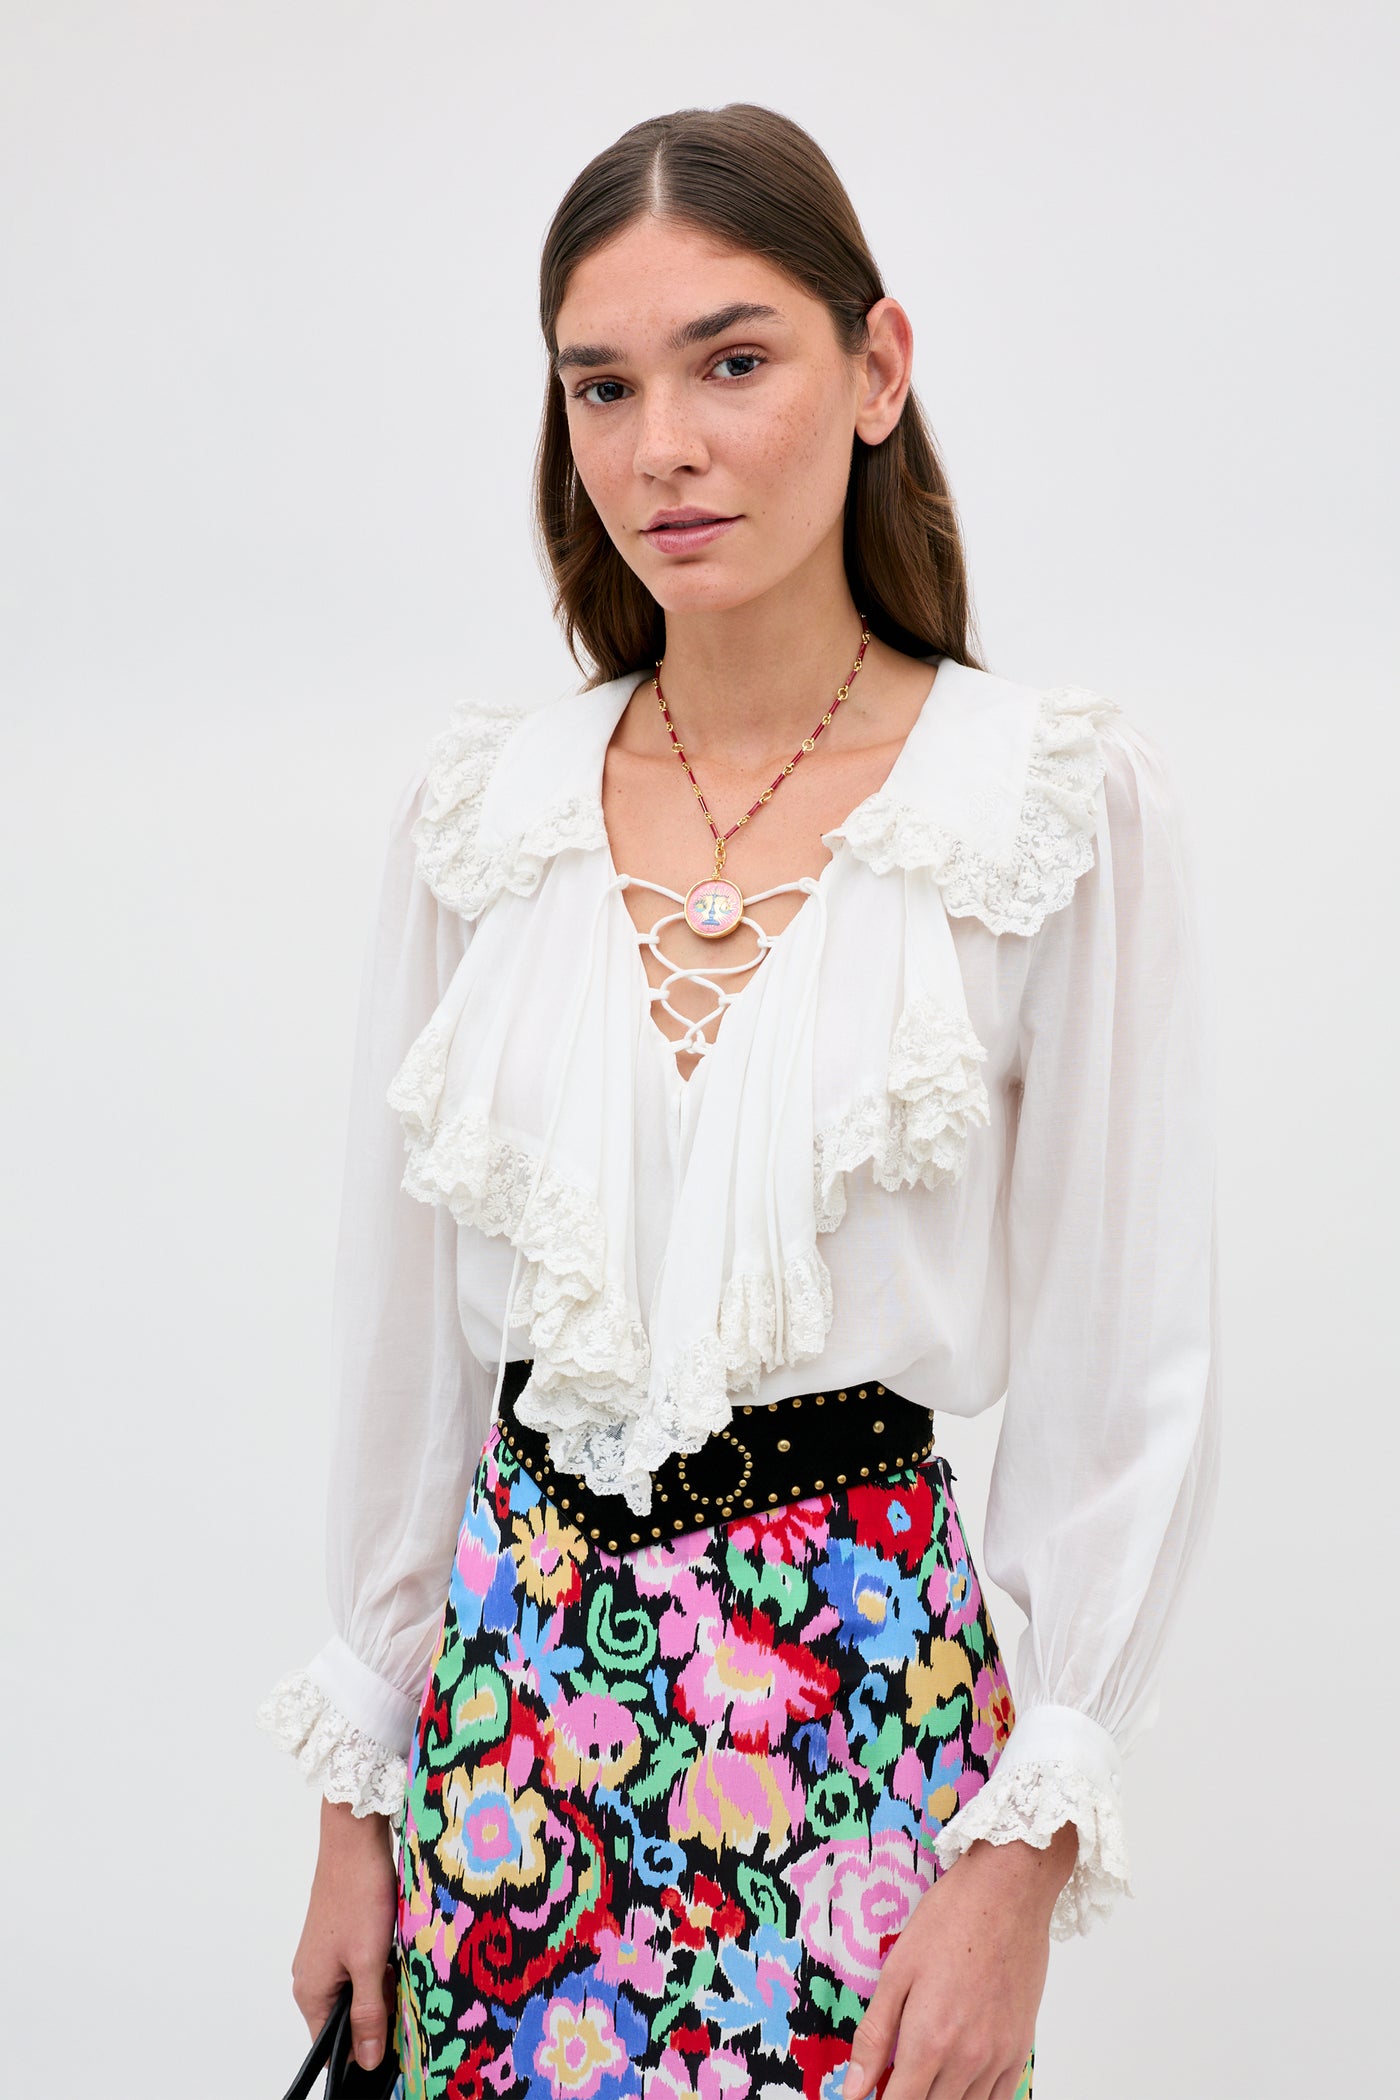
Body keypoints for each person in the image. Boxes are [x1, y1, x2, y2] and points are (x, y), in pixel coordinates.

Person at [258, 101, 1221, 2100]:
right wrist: (357, 1793)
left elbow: (1125, 1374)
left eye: (732, 360)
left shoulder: (1041, 806)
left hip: (867, 1735)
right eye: (600, 387)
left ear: (876, 369)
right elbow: (405, 1362)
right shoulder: (481, 819)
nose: (660, 447)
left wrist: (1017, 1861)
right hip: (511, 1743)